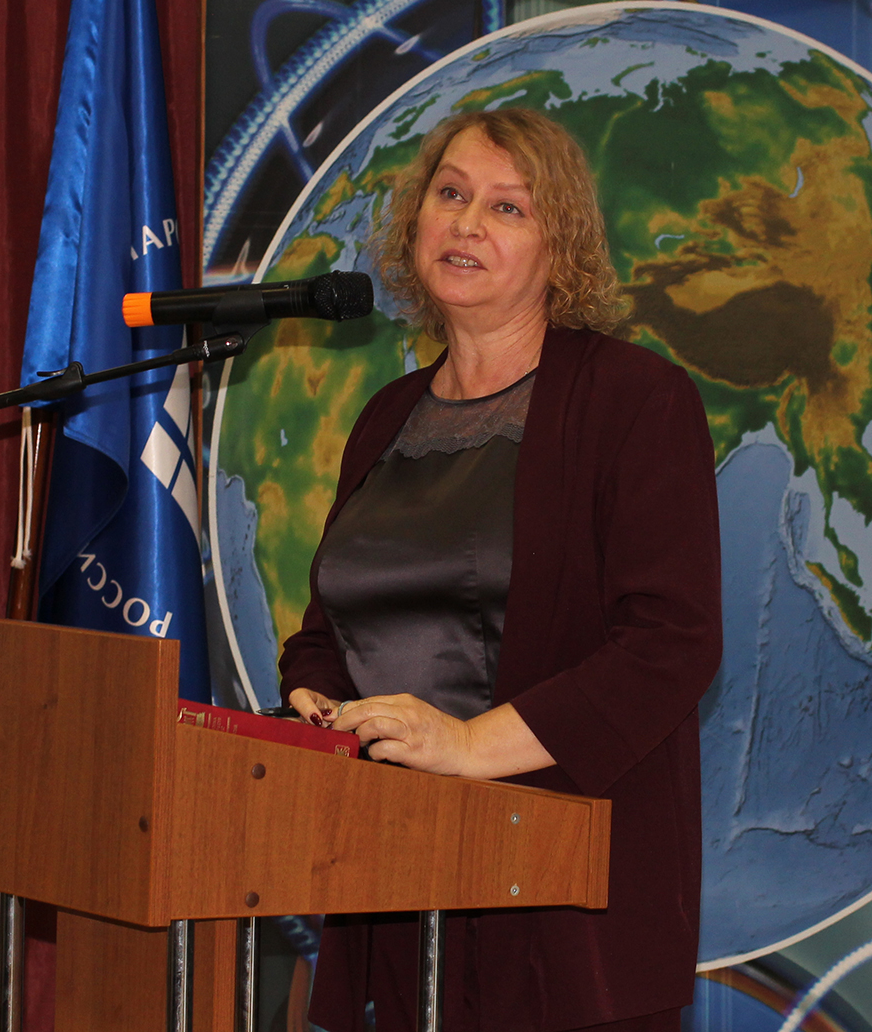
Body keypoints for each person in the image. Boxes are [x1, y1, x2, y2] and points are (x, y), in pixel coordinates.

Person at [279, 107, 722, 1032]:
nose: (467, 222)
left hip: (563, 909)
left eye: (507, 206)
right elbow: (330, 630)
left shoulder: (634, 399)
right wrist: (319, 704)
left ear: (561, 248)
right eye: (450, 194)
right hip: (397, 884)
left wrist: (469, 747)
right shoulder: (385, 417)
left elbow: (671, 644)